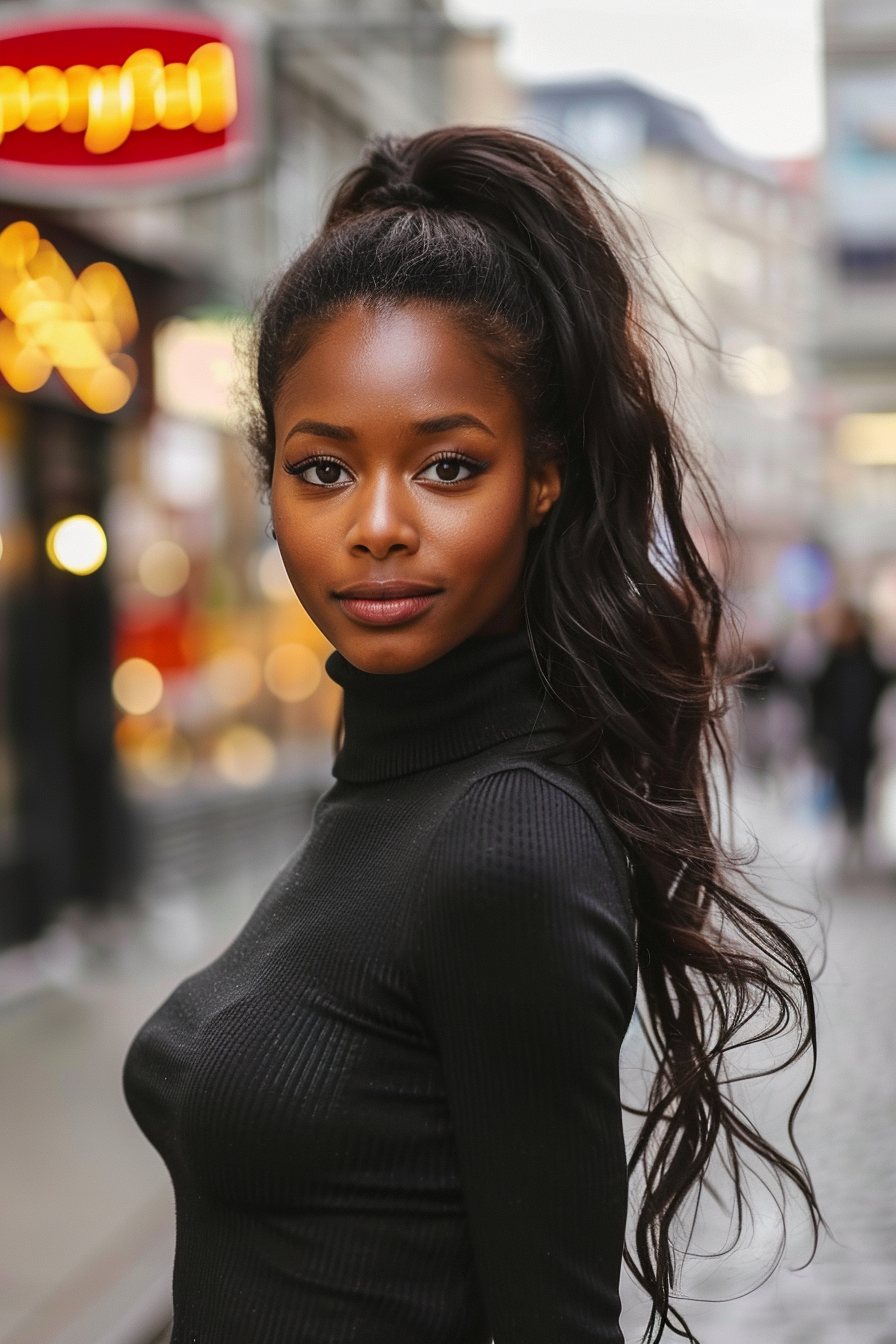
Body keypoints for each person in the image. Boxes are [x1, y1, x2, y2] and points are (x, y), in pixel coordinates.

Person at [123, 128, 818, 1344]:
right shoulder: (385, 786)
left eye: (446, 466)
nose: (377, 525)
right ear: (269, 483)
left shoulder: (503, 838)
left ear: (541, 478)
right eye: (322, 470)